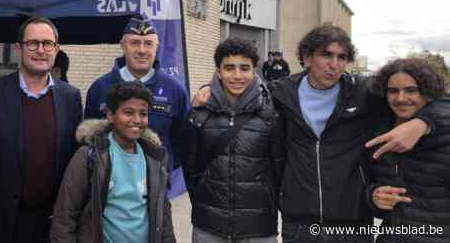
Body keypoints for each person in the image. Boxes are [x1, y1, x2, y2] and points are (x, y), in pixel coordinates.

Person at [192, 25, 448, 242]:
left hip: (352, 221)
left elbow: (433, 99)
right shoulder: (280, 93)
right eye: (326, 55)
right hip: (299, 221)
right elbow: (242, 92)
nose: (334, 64)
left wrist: (422, 123)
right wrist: (209, 89)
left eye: (342, 57)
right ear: (306, 57)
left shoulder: (365, 93)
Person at [0, 16, 83, 243]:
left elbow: (75, 160)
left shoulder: (71, 97)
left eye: (47, 44)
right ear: (18, 48)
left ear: (56, 49)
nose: (40, 50)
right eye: (32, 43)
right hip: (3, 222)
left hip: (53, 223)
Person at [183, 38, 283, 243]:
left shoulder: (272, 112)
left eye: (244, 68)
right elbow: (190, 168)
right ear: (218, 71)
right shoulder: (200, 112)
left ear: (255, 70)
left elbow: (279, 166)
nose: (237, 76)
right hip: (208, 227)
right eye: (229, 68)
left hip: (258, 229)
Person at [50, 81, 175, 243]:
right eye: (128, 112)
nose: (137, 120)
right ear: (110, 115)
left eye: (143, 114)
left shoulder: (154, 159)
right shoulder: (89, 156)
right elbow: (64, 217)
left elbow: (163, 218)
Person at [84, 13, 190, 180]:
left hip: (156, 189)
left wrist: (163, 167)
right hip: (108, 187)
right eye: (134, 43)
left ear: (157, 47)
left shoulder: (175, 90)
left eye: (148, 44)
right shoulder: (100, 88)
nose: (141, 50)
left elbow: (183, 143)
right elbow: (89, 137)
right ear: (123, 45)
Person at [365, 58, 450, 242]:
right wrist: (373, 195)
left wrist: (423, 123)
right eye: (393, 91)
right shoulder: (377, 132)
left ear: (427, 92)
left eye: (411, 90)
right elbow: (367, 181)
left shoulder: (444, 134)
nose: (401, 98)